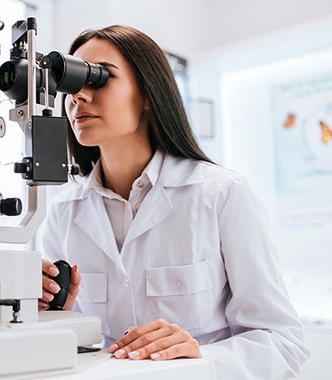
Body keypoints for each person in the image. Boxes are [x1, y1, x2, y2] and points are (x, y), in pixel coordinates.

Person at [38, 25, 309, 379]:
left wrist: (200, 356)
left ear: (149, 93)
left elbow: (283, 342)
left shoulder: (221, 194)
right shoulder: (62, 213)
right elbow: (70, 349)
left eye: (98, 78)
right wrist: (46, 314)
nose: (78, 97)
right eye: (72, 84)